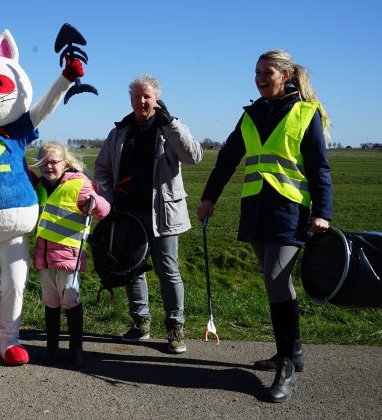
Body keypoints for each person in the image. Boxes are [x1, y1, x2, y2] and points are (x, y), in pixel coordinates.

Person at [196, 50, 332, 403]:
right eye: (256, 72)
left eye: (266, 71)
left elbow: (319, 168)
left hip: (290, 210)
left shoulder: (305, 113)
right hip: (256, 209)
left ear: (285, 75)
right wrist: (209, 197)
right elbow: (227, 159)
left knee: (275, 277)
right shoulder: (251, 115)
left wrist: (324, 212)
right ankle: (293, 352)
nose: (259, 77)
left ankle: (286, 365)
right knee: (276, 281)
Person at [94, 74, 202, 354]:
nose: (142, 101)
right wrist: (106, 199)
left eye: (147, 97)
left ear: (157, 99)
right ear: (130, 100)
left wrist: (170, 123)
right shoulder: (119, 131)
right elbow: (102, 169)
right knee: (132, 269)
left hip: (163, 213)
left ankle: (175, 328)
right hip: (127, 213)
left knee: (168, 270)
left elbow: (193, 156)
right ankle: (141, 323)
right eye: (137, 97)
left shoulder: (169, 127)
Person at [33, 141, 110, 370]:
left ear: (65, 163)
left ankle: (76, 349)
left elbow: (104, 209)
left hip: (69, 256)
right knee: (50, 301)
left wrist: (93, 204)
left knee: (70, 301)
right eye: (44, 162)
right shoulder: (41, 186)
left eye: (54, 162)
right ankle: (52, 349)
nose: (49, 166)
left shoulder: (79, 184)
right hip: (44, 256)